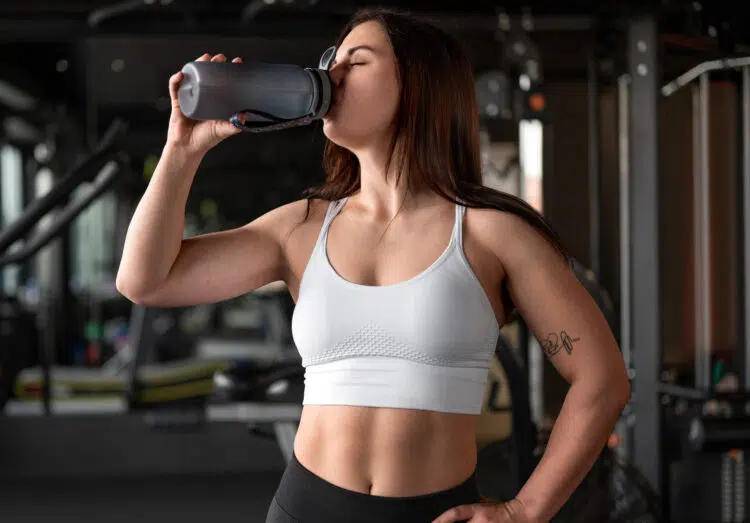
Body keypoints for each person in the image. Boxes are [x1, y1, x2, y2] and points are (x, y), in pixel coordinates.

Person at [116, 7, 630, 523]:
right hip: (303, 508)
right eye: (330, 61)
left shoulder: (492, 233)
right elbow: (145, 280)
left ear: (419, 83)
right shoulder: (301, 228)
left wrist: (524, 512)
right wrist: (179, 152)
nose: (330, 75)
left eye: (356, 62)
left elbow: (601, 378)